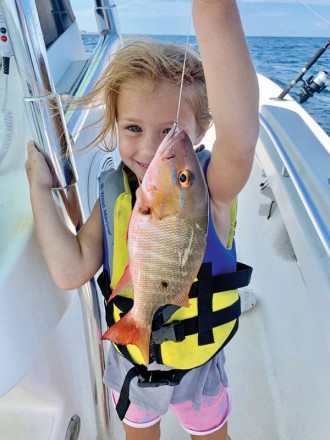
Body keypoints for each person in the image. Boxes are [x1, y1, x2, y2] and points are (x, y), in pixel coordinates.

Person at [25, 1, 259, 439]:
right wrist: (39, 190)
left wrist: (214, 10)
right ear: (115, 125)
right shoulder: (119, 197)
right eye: (133, 128)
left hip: (199, 364)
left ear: (203, 130)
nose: (154, 149)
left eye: (173, 131)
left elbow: (241, 139)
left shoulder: (212, 192)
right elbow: (71, 268)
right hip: (132, 358)